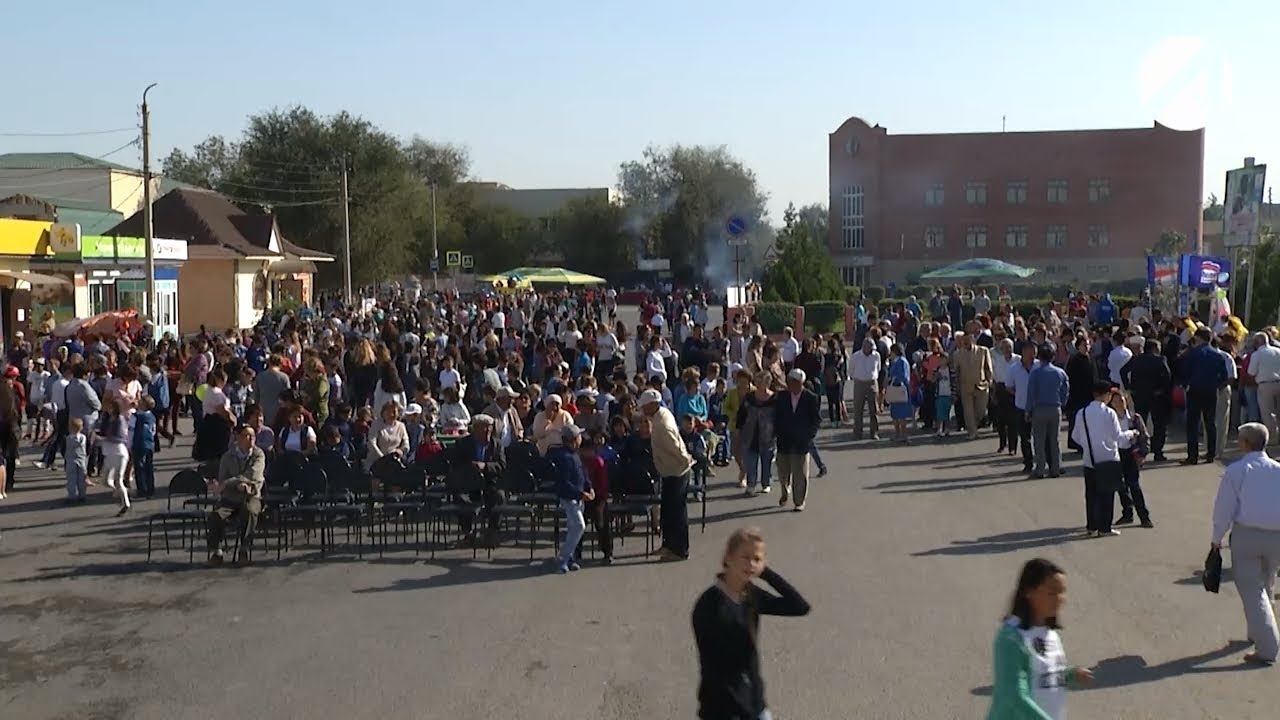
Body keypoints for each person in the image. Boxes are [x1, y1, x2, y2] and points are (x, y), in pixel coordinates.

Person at [691, 527, 810, 720]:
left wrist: (766, 574)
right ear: (728, 558)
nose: (751, 563)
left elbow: (799, 607)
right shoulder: (709, 606)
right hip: (722, 709)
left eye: (757, 559)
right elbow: (715, 669)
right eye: (745, 557)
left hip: (754, 703)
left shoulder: (750, 595)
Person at [986, 558, 1092, 720]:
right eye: (1052, 592)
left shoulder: (1050, 634)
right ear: (1028, 591)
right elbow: (1013, 696)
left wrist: (1070, 675)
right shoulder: (1011, 638)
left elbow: (1043, 675)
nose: (1059, 599)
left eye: (1062, 592)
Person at [1210, 422, 1280, 666]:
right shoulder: (1278, 469)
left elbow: (1224, 508)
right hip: (1276, 536)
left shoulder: (1238, 470)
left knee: (1252, 591)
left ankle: (1268, 646)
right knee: (1266, 582)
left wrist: (1216, 539)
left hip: (1247, 535)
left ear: (1244, 443)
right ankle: (1256, 632)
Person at [1071, 382, 1137, 538]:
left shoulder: (1082, 413)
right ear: (1106, 395)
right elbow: (1118, 437)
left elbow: (1075, 436)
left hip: (1090, 459)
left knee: (1091, 494)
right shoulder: (1109, 413)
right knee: (1107, 495)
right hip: (1108, 458)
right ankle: (1104, 527)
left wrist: (1088, 445)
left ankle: (1091, 526)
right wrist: (1131, 433)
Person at [640, 388, 693, 561]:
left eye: (645, 406)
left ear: (653, 405)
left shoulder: (662, 424)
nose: (642, 409)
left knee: (677, 512)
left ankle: (679, 550)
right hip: (668, 471)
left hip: (677, 470)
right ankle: (668, 545)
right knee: (668, 511)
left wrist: (685, 460)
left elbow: (674, 445)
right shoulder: (660, 415)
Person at [206, 423, 267, 566]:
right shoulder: (227, 457)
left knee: (250, 511)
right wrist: (234, 485)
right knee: (217, 515)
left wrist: (230, 483)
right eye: (246, 435)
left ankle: (244, 548)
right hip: (231, 497)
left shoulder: (258, 454)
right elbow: (222, 479)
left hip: (251, 496)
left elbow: (254, 475)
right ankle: (217, 551)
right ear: (237, 438)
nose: (251, 438)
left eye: (253, 435)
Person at [547, 424, 593, 574]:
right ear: (573, 439)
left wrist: (589, 487)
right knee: (579, 526)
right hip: (569, 498)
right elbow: (564, 482)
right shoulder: (563, 457)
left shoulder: (575, 455)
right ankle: (563, 559)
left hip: (579, 497)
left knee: (573, 528)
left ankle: (570, 557)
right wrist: (580, 494)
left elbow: (583, 473)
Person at [773, 369, 821, 512]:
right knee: (783, 472)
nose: (792, 385)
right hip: (784, 440)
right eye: (790, 382)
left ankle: (799, 501)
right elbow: (775, 416)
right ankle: (784, 490)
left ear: (801, 383)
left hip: (801, 441)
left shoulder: (811, 398)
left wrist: (809, 435)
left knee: (800, 474)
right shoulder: (781, 397)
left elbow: (816, 419)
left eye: (795, 383)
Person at [1181, 328, 1228, 465]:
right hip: (1211, 390)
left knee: (1193, 423)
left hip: (1194, 390)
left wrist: (1186, 384)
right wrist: (1217, 385)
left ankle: (1192, 455)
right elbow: (1224, 376)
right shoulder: (1218, 355)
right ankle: (1211, 454)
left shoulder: (1192, 353)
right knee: (1210, 422)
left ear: (1198, 338)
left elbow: (1185, 372)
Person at [1027, 344, 1069, 478]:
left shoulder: (1035, 373)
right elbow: (1065, 391)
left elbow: (1031, 393)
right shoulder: (1060, 372)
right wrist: (1062, 403)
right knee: (1054, 440)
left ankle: (1040, 469)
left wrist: (1028, 410)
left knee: (1039, 440)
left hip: (1039, 408)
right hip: (1055, 408)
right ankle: (1056, 468)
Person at [849, 338, 880, 440]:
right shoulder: (856, 356)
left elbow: (878, 368)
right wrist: (856, 378)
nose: (871, 350)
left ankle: (874, 432)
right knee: (858, 409)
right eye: (869, 348)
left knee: (874, 410)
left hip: (872, 382)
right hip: (859, 383)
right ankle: (857, 433)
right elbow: (851, 370)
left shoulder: (876, 356)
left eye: (872, 348)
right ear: (864, 347)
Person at [132, 395, 158, 499]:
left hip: (139, 443)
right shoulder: (151, 417)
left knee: (139, 467)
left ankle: (141, 489)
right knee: (148, 467)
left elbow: (132, 430)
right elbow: (153, 431)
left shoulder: (137, 417)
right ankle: (150, 489)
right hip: (149, 444)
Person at [63, 417, 88, 504]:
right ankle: (82, 495)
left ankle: (72, 496)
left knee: (71, 479)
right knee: (82, 478)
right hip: (81, 459)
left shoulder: (68, 438)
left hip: (71, 460)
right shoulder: (83, 438)